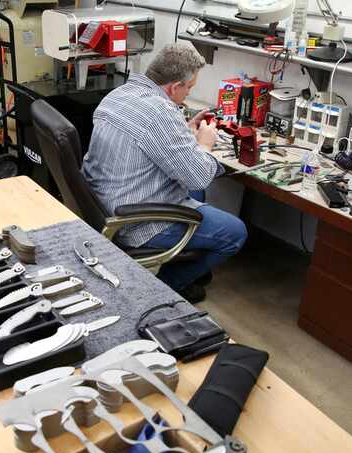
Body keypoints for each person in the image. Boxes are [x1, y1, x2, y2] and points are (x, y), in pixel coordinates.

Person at [82, 43, 247, 303]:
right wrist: (204, 144)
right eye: (189, 88)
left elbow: (149, 138)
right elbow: (199, 176)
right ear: (174, 87)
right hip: (133, 221)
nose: (188, 93)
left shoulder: (118, 94)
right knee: (235, 233)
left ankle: (190, 260)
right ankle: (165, 286)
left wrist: (183, 132)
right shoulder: (161, 113)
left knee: (195, 192)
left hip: (103, 201)